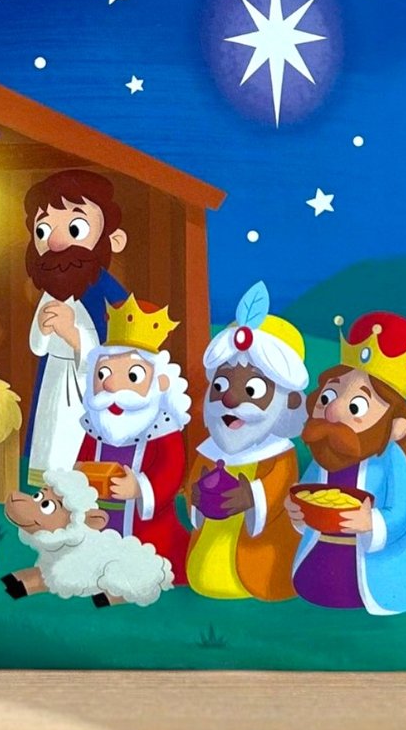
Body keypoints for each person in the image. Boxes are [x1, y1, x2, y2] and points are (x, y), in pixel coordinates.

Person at [288, 311, 406, 616]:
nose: (333, 410)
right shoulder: (326, 455)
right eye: (328, 396)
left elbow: (401, 513)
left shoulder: (391, 460)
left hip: (375, 573)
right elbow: (307, 493)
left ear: (397, 426)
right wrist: (298, 513)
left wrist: (370, 523)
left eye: (356, 405)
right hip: (318, 565)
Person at [184, 282, 309, 602]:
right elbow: (192, 488)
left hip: (260, 562)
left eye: (251, 390)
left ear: (289, 402)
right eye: (220, 386)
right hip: (206, 555)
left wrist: (251, 497)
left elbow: (278, 491)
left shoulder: (278, 454)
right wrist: (196, 496)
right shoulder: (210, 449)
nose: (229, 399)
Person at [22, 169, 128, 484]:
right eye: (43, 230)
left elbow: (120, 344)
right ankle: (45, 489)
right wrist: (43, 329)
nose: (56, 241)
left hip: (91, 382)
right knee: (49, 430)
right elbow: (36, 345)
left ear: (113, 240)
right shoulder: (51, 290)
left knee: (78, 439)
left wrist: (74, 335)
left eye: (74, 228)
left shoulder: (107, 291)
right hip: (54, 374)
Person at [74, 301, 190, 584]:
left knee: (144, 567)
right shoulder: (96, 426)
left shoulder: (163, 430)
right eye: (103, 374)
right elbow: (82, 461)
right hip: (97, 520)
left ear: (159, 383)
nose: (112, 386)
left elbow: (171, 471)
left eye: (133, 376)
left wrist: (139, 488)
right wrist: (77, 482)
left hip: (145, 530)